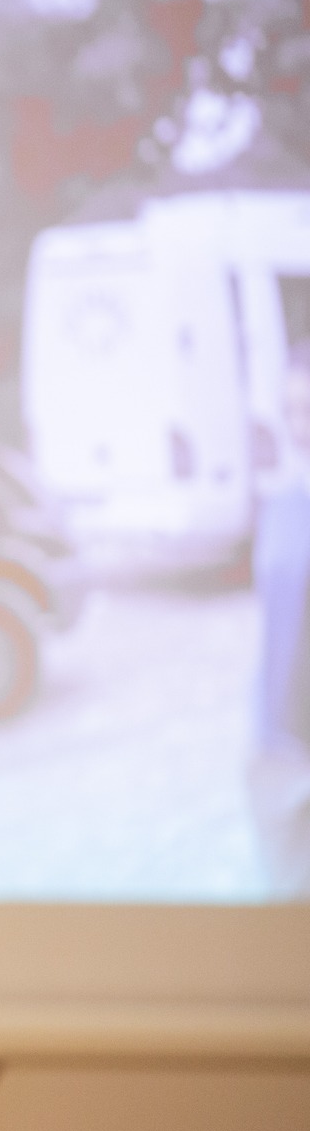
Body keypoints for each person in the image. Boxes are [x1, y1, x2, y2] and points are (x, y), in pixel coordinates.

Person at [249, 346, 310, 897]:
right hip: (279, 747)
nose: (298, 425)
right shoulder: (283, 505)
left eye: (308, 408)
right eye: (290, 409)